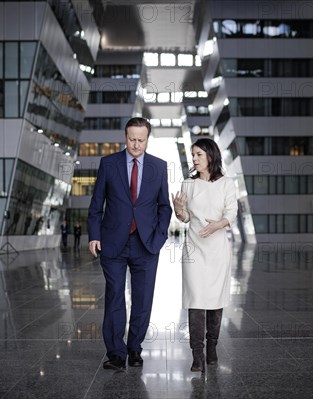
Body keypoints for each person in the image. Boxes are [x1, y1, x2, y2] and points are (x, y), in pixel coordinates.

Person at [87, 117, 172, 371]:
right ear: (125, 137)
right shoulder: (108, 164)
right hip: (113, 243)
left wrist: (159, 237)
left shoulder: (158, 167)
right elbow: (96, 204)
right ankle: (115, 353)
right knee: (114, 297)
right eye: (132, 139)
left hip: (146, 245)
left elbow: (164, 206)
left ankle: (135, 348)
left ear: (148, 138)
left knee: (143, 299)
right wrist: (94, 235)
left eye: (141, 140)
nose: (136, 144)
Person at [171, 138, 238, 372]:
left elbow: (232, 211)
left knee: (215, 301)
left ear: (211, 155)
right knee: (196, 301)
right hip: (194, 248)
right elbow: (185, 217)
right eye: (193, 155)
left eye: (199, 154)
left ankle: (212, 348)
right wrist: (179, 209)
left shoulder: (227, 183)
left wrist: (218, 224)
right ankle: (197, 355)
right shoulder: (188, 184)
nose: (194, 159)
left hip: (218, 249)